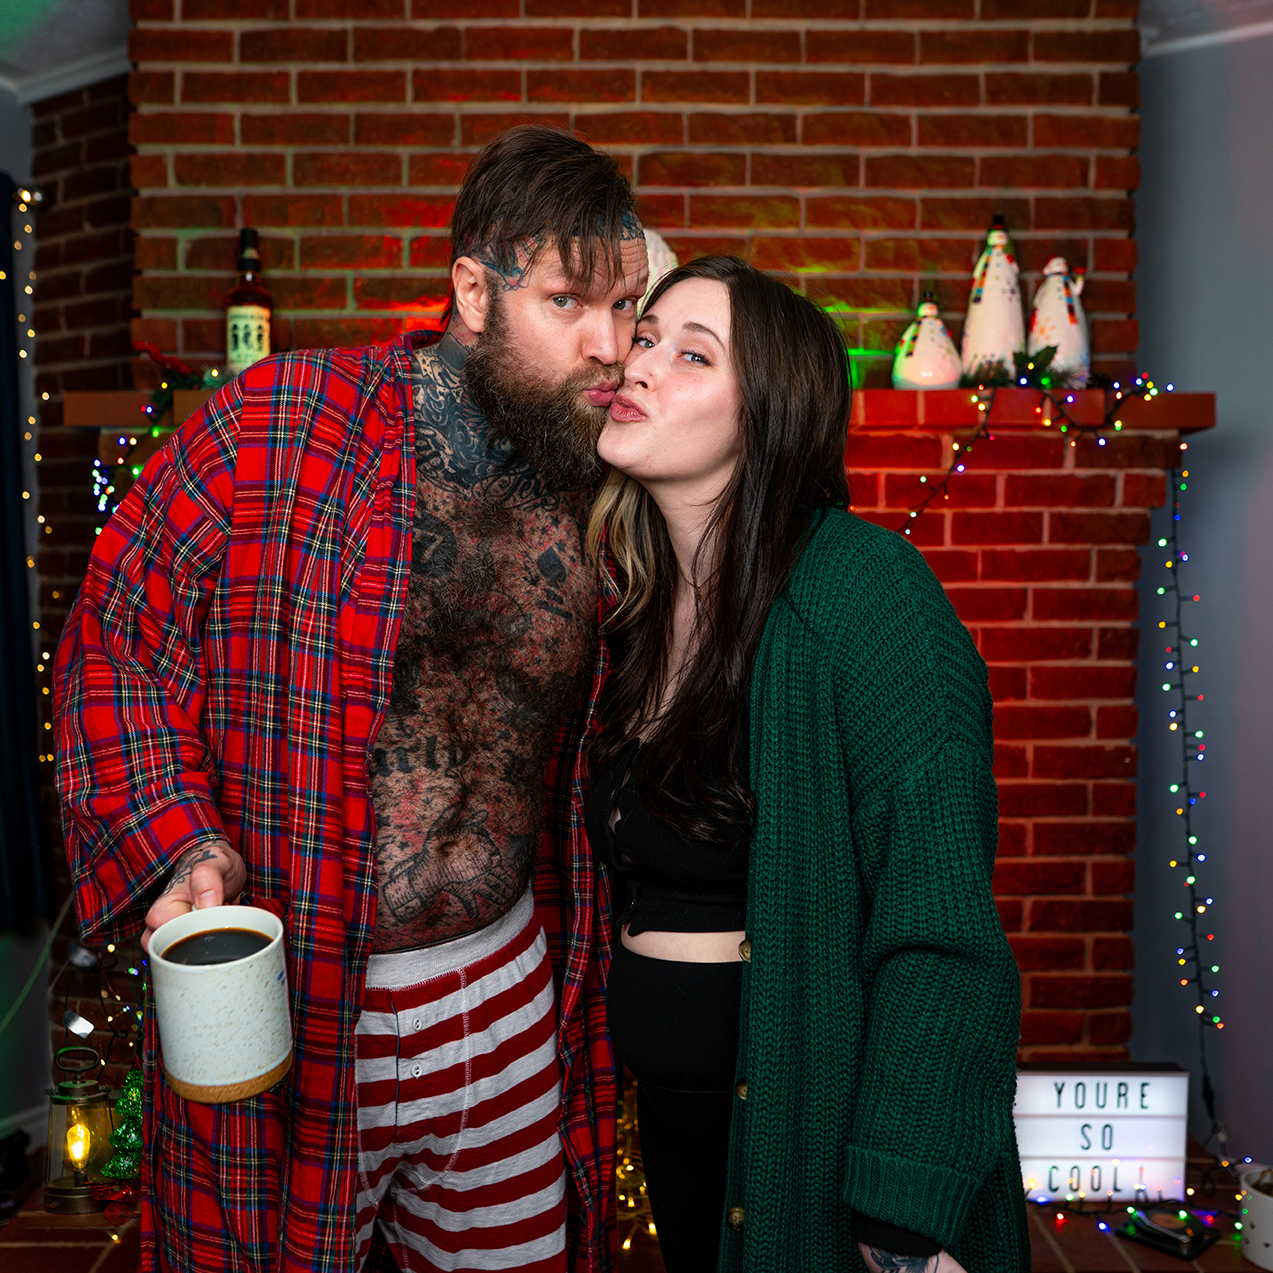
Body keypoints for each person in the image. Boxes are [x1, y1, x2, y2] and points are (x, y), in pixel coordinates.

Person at [53, 124, 647, 1273]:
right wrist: (180, 851)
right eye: (571, 302)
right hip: (305, 1001)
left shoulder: (611, 487)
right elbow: (112, 639)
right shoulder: (278, 423)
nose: (607, 344)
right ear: (474, 289)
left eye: (624, 306)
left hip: (510, 989)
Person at [580, 256, 1030, 1273]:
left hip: (815, 1129)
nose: (639, 364)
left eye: (690, 354)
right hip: (684, 1131)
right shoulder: (638, 613)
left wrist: (903, 1217)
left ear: (770, 415)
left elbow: (940, 926)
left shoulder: (868, 597)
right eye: (644, 339)